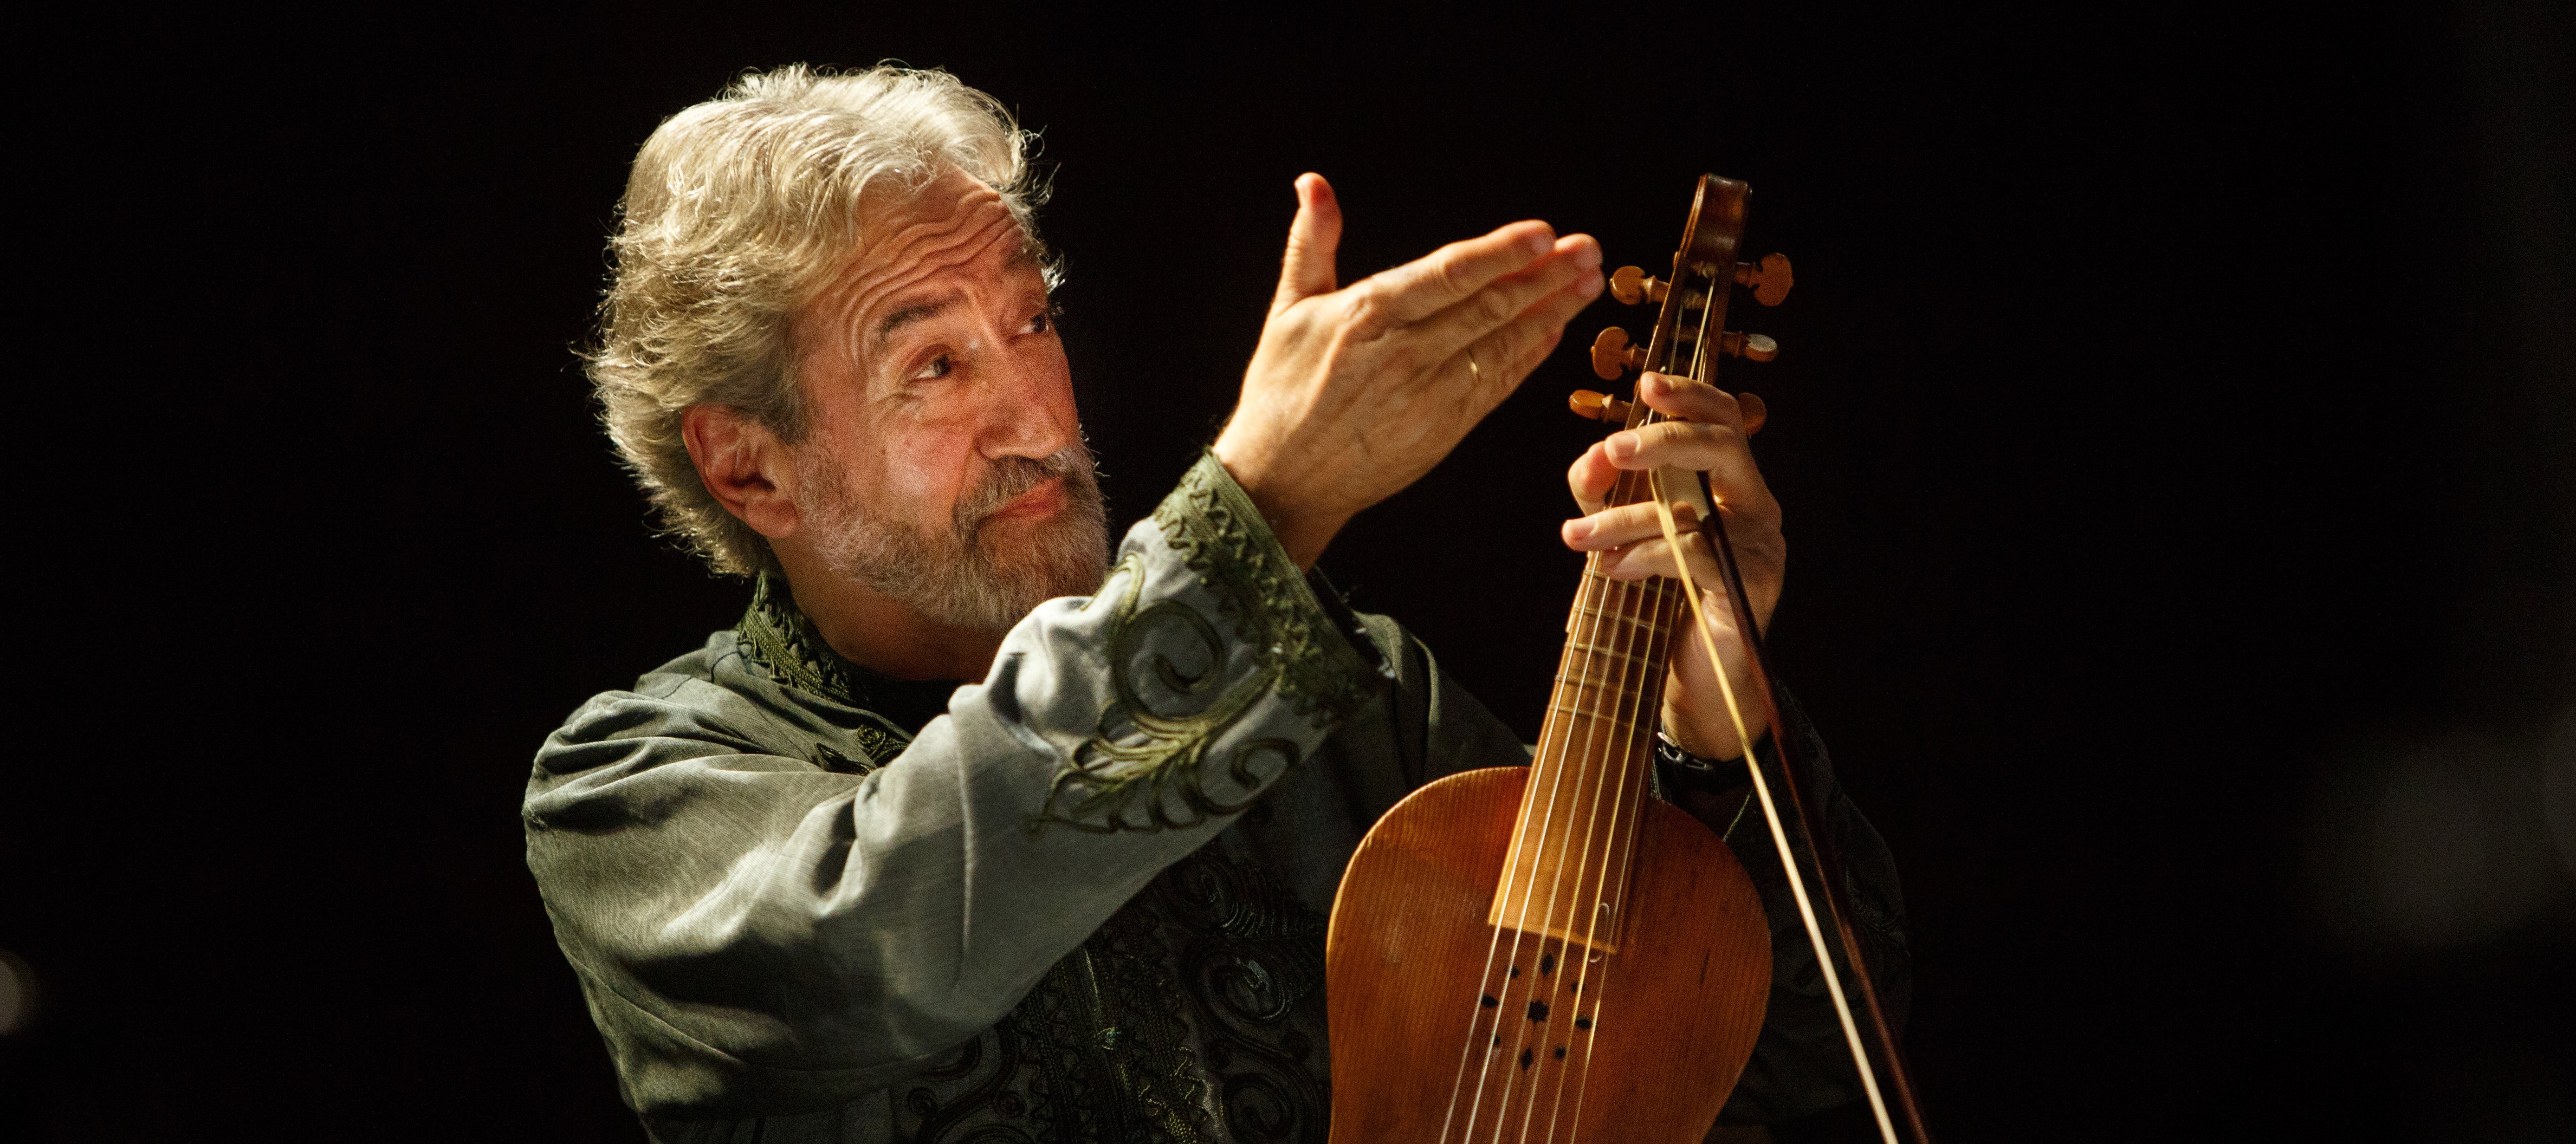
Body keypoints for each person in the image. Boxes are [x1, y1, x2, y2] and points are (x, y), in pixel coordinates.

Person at [524, 64, 1909, 1144]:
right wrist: (1264, 511)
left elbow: (1765, 1059)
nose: (1033, 415)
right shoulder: (634, 790)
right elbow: (868, 944)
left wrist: (1706, 740)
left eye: (1029, 321)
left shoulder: (1350, 696)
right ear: (745, 463)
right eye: (932, 367)